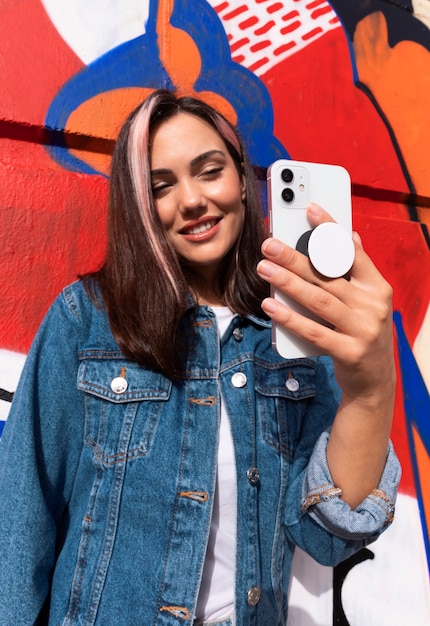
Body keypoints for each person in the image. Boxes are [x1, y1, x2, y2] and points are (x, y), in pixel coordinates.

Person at [0, 90, 400, 626]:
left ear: (240, 178)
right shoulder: (87, 319)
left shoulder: (296, 334)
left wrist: (371, 392)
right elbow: (20, 525)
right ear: (139, 204)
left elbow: (326, 536)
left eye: (209, 171)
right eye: (161, 186)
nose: (190, 200)